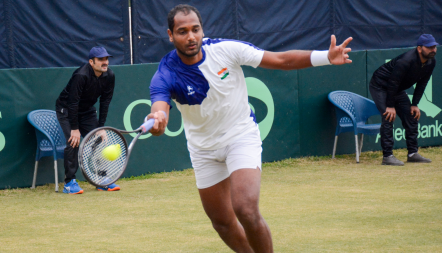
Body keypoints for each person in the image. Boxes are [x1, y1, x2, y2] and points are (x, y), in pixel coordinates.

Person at [146, 4, 352, 252]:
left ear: (202, 30)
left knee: (245, 208)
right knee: (221, 222)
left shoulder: (226, 50)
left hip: (240, 136)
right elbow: (160, 111)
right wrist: (157, 121)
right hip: (203, 149)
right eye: (182, 31)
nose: (190, 37)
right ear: (170, 35)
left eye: (195, 29)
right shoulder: (165, 73)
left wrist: (325, 58)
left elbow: (279, 59)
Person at [56, 46, 120, 194]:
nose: (105, 62)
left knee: (99, 139)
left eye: (106, 59)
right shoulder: (81, 75)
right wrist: (74, 128)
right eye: (101, 60)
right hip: (66, 110)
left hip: (87, 111)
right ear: (91, 62)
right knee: (73, 141)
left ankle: (101, 179)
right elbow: (72, 103)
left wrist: (101, 127)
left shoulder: (109, 75)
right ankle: (69, 182)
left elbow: (105, 102)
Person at [369, 34, 437, 166]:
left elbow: (422, 83)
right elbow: (393, 82)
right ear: (419, 48)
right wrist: (389, 105)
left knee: (411, 116)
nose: (433, 50)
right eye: (429, 47)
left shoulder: (431, 62)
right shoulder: (406, 60)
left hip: (397, 88)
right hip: (380, 86)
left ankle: (412, 154)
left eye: (434, 47)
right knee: (388, 116)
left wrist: (415, 104)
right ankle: (387, 156)